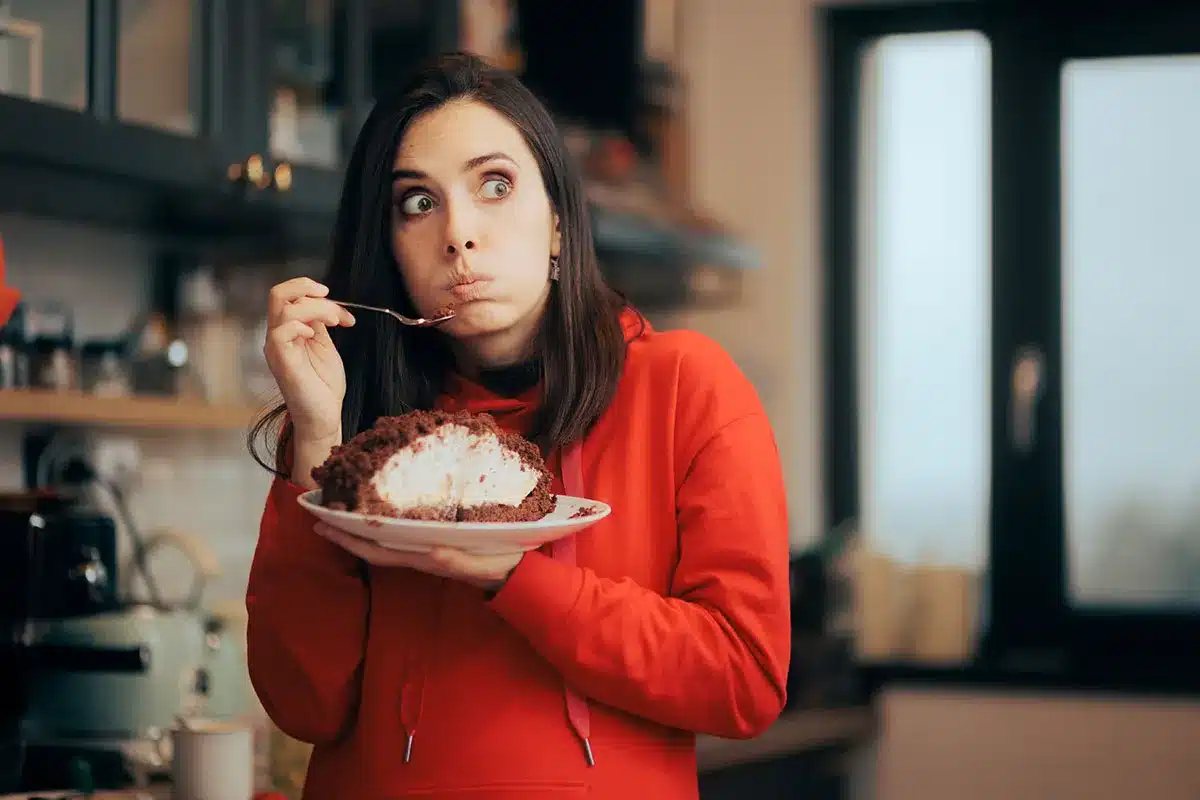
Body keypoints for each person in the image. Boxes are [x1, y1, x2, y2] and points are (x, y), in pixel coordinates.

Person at [245, 52, 792, 799]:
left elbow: (744, 680)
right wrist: (315, 436)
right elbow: (302, 704)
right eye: (416, 203)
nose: (458, 234)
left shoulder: (685, 387)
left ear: (560, 221)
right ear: (390, 249)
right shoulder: (357, 430)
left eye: (494, 185)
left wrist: (513, 574)